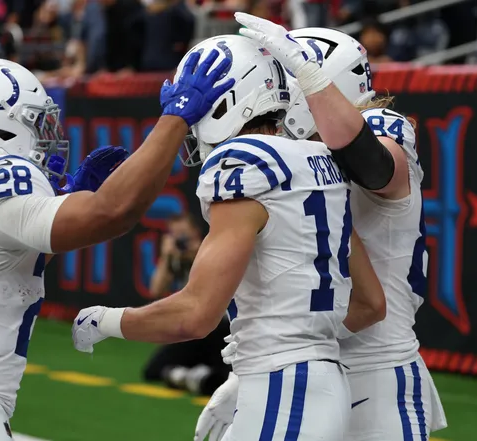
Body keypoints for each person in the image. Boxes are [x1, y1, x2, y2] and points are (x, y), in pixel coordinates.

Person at [0, 54, 233, 440]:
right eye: (35, 122)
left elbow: (3, 263)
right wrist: (175, 118)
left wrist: (69, 197)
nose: (47, 135)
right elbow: (112, 213)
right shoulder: (1, 176)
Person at [72, 34, 386, 441]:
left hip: (282, 390)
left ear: (228, 100)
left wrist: (106, 320)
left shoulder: (242, 163)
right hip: (319, 381)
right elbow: (369, 303)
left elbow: (195, 313)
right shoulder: (321, 159)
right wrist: (278, 347)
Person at [194, 19, 448, 441]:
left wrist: (308, 77)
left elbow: (375, 167)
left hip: (376, 371)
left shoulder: (384, 126)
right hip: (314, 367)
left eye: (287, 79)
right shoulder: (300, 156)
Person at [144, 213, 231, 396]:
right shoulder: (177, 259)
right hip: (193, 330)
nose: (181, 242)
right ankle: (190, 376)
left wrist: (197, 254)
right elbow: (156, 290)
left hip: (220, 329)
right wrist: (167, 257)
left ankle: (193, 376)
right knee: (153, 370)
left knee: (225, 374)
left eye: (185, 236)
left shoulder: (212, 252)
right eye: (176, 237)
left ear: (196, 234)